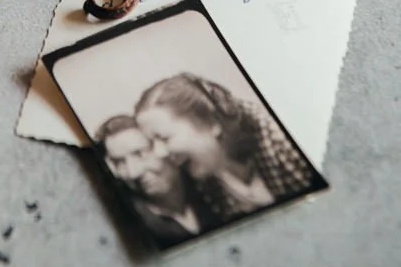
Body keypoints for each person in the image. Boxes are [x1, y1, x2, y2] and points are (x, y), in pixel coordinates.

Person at [134, 73, 315, 222]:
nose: (159, 153)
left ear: (212, 122)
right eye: (152, 143)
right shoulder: (203, 179)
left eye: (164, 138)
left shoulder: (281, 139)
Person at [96, 114, 214, 247]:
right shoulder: (132, 227)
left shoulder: (213, 191)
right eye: (120, 163)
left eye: (140, 153)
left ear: (167, 148)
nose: (133, 172)